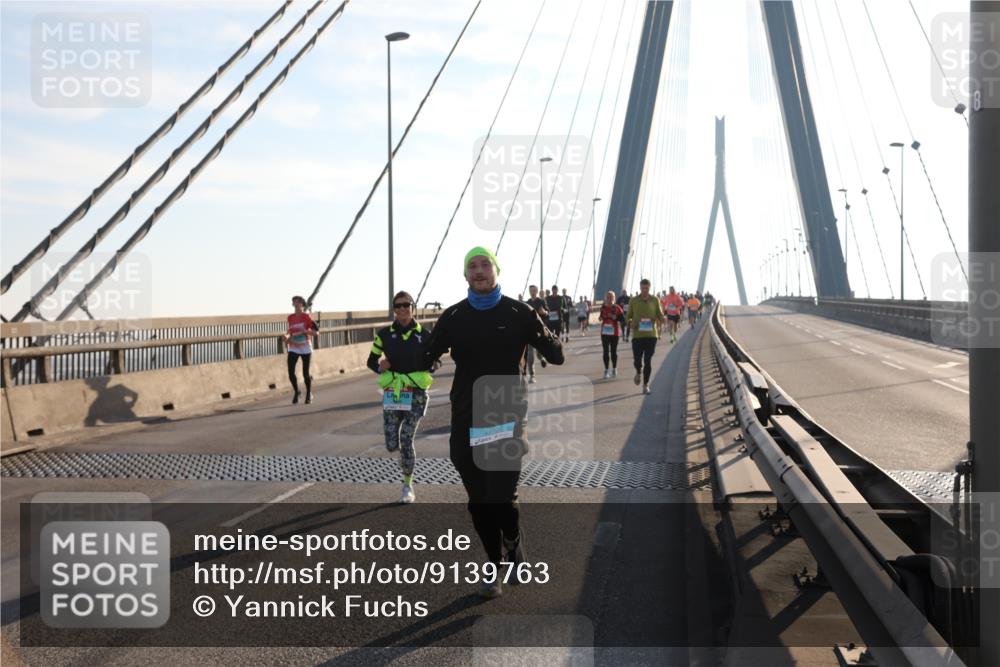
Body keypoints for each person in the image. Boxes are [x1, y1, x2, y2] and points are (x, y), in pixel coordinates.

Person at [423, 247, 564, 599]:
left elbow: (556, 355)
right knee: (478, 502)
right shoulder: (454, 316)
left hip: (504, 414)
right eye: (472, 265)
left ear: (496, 270)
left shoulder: (519, 312)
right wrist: (395, 357)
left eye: (485, 264)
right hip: (465, 417)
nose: (479, 270)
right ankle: (493, 562)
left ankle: (513, 540)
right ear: (465, 275)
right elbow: (425, 356)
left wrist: (544, 330)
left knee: (500, 498)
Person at [367, 291, 434, 504]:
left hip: (415, 393)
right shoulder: (384, 334)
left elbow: (435, 361)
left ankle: (407, 485)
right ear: (394, 309)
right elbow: (371, 361)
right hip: (393, 393)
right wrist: (380, 367)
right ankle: (402, 458)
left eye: (407, 305)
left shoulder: (425, 334)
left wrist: (429, 365)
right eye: (398, 305)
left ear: (413, 307)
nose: (403, 309)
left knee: (406, 438)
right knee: (391, 443)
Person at [625, 279, 664, 394]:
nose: (644, 291)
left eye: (646, 288)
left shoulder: (654, 300)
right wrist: (630, 323)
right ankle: (638, 371)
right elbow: (628, 316)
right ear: (640, 288)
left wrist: (662, 319)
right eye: (642, 288)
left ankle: (646, 385)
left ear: (649, 288)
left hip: (651, 335)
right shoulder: (634, 300)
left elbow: (660, 314)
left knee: (648, 360)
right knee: (637, 360)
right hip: (637, 335)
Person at [286, 296, 319, 404]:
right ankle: (297, 391)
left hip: (305, 347)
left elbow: (316, 332)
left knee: (305, 373)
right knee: (290, 372)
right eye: (293, 302)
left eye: (297, 302)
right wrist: (286, 337)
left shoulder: (307, 317)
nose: (295, 304)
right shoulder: (290, 317)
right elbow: (290, 332)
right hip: (293, 347)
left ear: (302, 304)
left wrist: (306, 331)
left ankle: (309, 393)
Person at [523, 285, 546, 383]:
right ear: (529, 291)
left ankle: (542, 358)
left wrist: (544, 312)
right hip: (529, 331)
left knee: (539, 352)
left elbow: (547, 312)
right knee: (530, 356)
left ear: (536, 291)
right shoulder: (526, 303)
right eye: (531, 290)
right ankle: (532, 375)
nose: (532, 292)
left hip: (539, 331)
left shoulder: (541, 302)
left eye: (534, 290)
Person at [598, 291, 624, 378]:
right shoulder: (603, 307)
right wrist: (600, 318)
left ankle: (614, 368)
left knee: (613, 352)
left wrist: (615, 318)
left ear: (614, 298)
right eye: (608, 297)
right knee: (605, 351)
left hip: (614, 332)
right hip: (605, 332)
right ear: (606, 298)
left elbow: (622, 319)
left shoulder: (617, 308)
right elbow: (600, 317)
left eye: (611, 297)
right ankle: (606, 370)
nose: (609, 299)